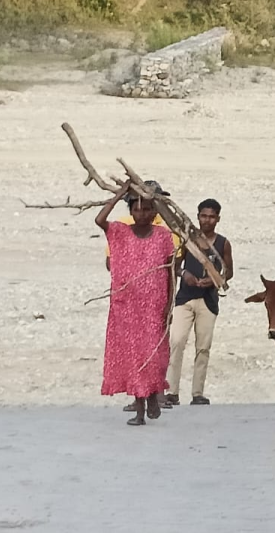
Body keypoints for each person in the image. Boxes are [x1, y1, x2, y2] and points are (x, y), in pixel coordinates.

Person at [96, 181, 175, 426]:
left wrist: (169, 305)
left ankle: (152, 394)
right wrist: (120, 193)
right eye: (137, 209)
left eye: (147, 209)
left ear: (155, 212)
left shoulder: (163, 236)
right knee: (133, 356)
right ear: (130, 210)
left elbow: (171, 272)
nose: (142, 214)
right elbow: (100, 220)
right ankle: (140, 408)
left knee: (154, 354)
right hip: (127, 307)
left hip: (154, 306)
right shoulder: (120, 232)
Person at [166, 199, 233, 406]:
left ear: (218, 219)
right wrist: (184, 274)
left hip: (208, 300)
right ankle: (171, 391)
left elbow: (228, 271)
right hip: (185, 298)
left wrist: (213, 280)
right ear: (198, 217)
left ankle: (197, 393)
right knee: (177, 341)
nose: (207, 220)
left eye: (211, 217)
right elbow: (174, 265)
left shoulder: (223, 243)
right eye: (204, 216)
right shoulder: (188, 239)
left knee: (203, 347)